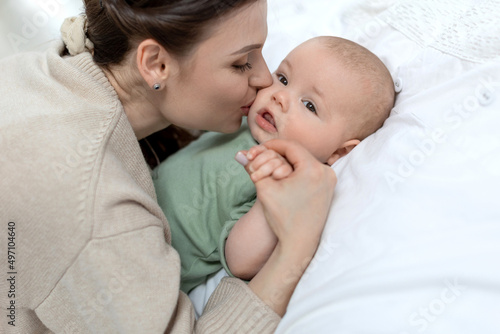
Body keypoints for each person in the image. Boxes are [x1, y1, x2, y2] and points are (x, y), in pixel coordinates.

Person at [0, 0, 336, 333]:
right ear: (156, 64)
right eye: (241, 62)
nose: (265, 79)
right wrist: (296, 247)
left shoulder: (44, 68)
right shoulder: (91, 205)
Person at [153, 36, 395, 293]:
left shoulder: (284, 179)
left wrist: (271, 200)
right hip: (131, 196)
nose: (280, 96)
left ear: (340, 151)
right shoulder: (240, 118)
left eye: (309, 105)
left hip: (154, 261)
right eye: (283, 78)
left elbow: (240, 262)